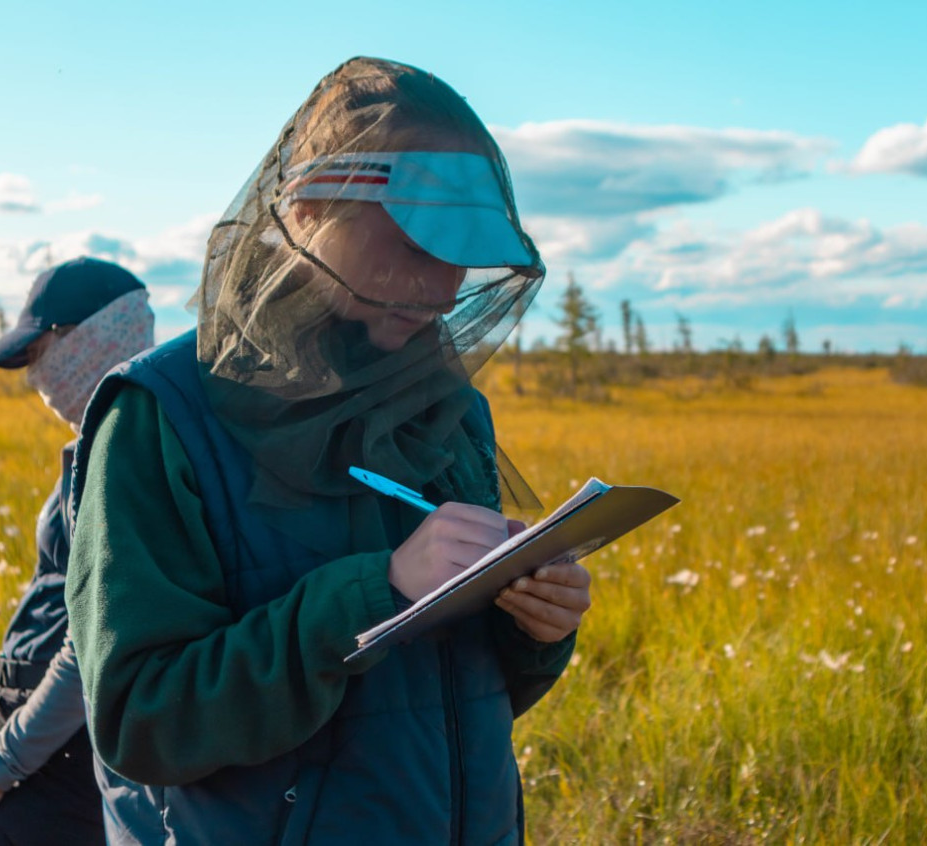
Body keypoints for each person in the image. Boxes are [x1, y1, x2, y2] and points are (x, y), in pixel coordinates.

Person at [64, 57, 591, 844]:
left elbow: (450, 705)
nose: (446, 286)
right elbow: (145, 723)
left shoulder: (445, 410)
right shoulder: (163, 415)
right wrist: (372, 593)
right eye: (416, 242)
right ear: (308, 206)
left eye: (462, 251)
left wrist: (534, 628)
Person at [0, 258, 155, 846]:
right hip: (46, 748)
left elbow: (93, 644)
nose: (35, 376)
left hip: (66, 754)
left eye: (43, 351)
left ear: (97, 337)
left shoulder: (130, 457)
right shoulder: (94, 446)